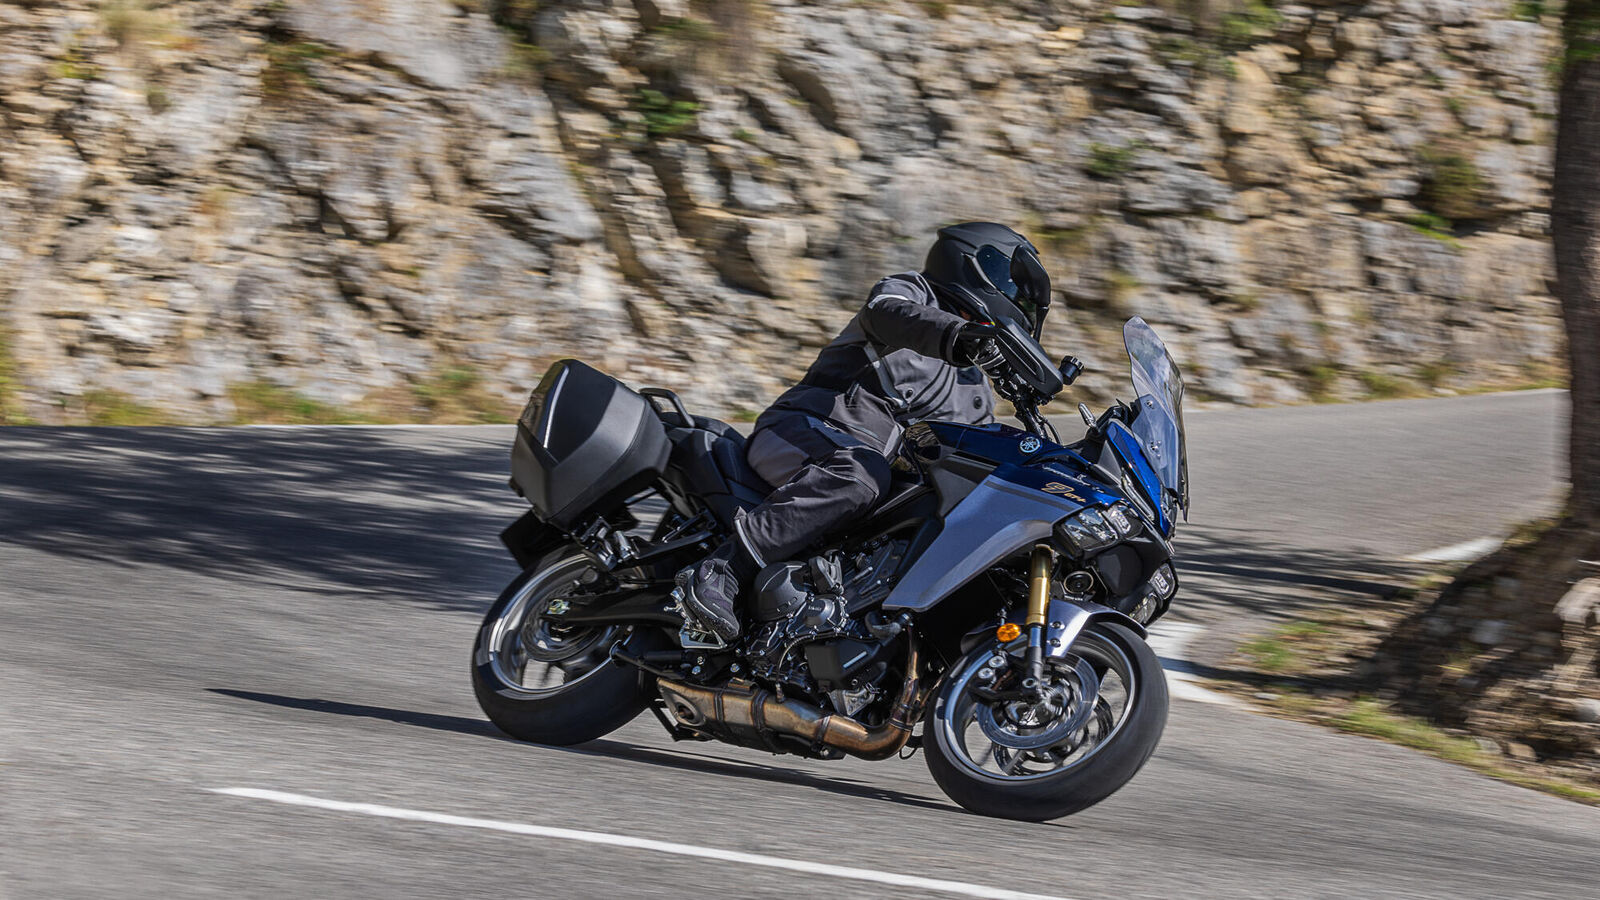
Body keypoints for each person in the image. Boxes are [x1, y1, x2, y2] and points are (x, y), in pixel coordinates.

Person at [675, 222, 1054, 640]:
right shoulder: (911, 294)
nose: (1020, 303)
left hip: (869, 486)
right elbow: (887, 312)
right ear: (976, 264)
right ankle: (722, 570)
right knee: (860, 474)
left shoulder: (973, 386)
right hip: (801, 431)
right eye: (1014, 288)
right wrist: (958, 334)